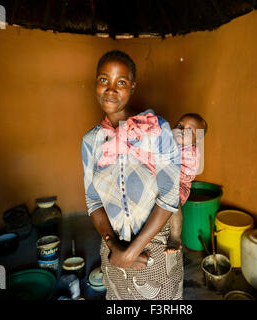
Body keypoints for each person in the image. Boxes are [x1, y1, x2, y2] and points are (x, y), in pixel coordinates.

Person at [81, 50, 183, 300]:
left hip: (155, 250)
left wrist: (130, 252)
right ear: (95, 82)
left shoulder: (156, 129)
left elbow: (170, 196)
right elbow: (93, 201)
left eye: (121, 82)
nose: (111, 90)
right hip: (112, 250)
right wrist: (115, 248)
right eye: (104, 80)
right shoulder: (90, 141)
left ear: (133, 87)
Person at [165, 113, 207, 253]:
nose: (182, 130)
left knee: (173, 200)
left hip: (179, 185)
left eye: (189, 130)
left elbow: (186, 174)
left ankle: (175, 237)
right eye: (180, 126)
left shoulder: (192, 153)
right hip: (163, 179)